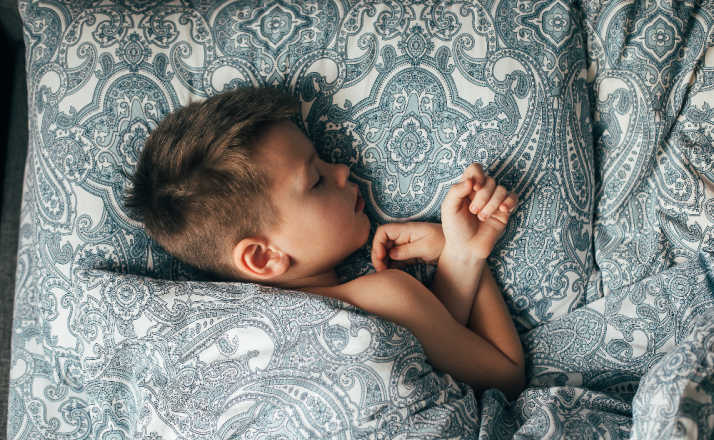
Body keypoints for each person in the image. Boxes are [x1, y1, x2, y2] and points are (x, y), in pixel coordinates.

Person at [125, 86, 526, 400]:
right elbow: (505, 375)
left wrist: (456, 255)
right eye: (315, 179)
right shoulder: (386, 293)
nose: (342, 170)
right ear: (262, 257)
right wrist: (465, 252)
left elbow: (439, 344)